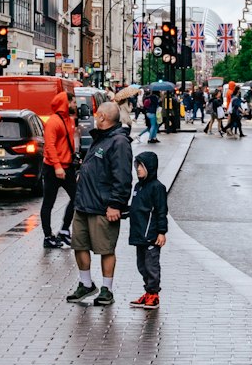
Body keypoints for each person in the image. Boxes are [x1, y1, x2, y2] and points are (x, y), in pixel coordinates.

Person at [66, 100, 133, 307]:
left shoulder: (119, 142)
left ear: (103, 117)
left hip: (103, 206)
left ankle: (107, 289)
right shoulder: (100, 138)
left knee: (105, 249)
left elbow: (122, 177)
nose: (95, 116)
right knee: (79, 245)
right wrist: (80, 173)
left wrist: (116, 204)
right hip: (84, 203)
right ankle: (86, 284)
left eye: (98, 114)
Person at [127, 150, 168, 309]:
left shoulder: (157, 187)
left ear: (150, 168)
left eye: (142, 166)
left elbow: (161, 211)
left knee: (151, 265)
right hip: (139, 235)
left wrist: (161, 232)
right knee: (141, 265)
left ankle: (154, 294)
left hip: (150, 235)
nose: (138, 169)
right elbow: (137, 208)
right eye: (137, 166)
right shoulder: (138, 186)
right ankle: (148, 291)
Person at [41, 92, 78, 248]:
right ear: (66, 103)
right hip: (53, 168)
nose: (75, 105)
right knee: (49, 203)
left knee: (77, 197)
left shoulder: (69, 120)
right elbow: (49, 146)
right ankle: (48, 236)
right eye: (73, 102)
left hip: (66, 167)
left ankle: (63, 230)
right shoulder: (53, 122)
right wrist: (57, 166)